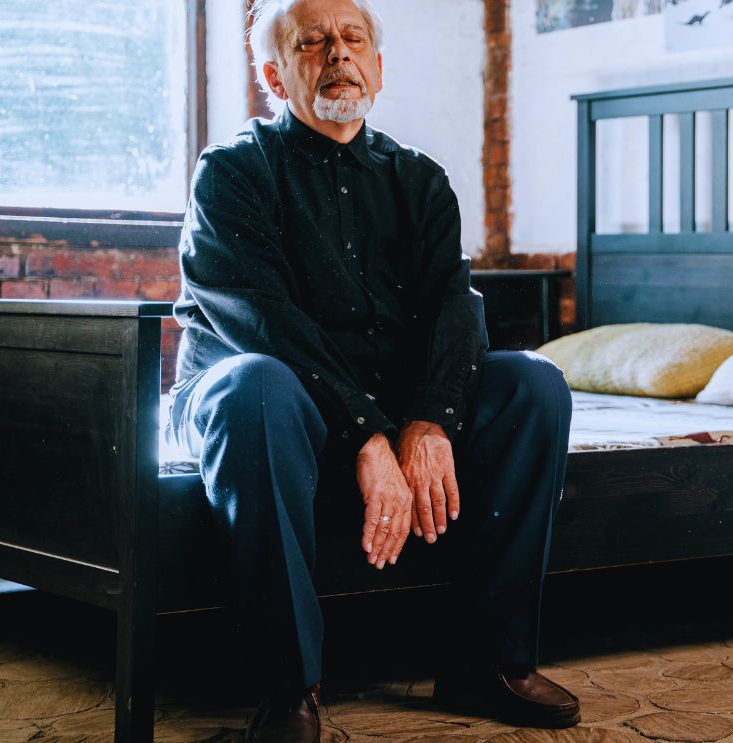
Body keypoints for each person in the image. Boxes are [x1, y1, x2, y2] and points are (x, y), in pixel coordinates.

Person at [164, 0, 579, 739]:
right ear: (273, 73)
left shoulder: (419, 180)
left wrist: (428, 421)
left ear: (378, 67)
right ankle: (289, 684)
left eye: (353, 38)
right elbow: (262, 320)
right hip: (262, 401)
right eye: (312, 41)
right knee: (255, 386)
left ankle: (487, 660)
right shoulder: (231, 173)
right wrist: (368, 433)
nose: (337, 53)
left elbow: (455, 306)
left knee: (533, 386)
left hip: (383, 407)